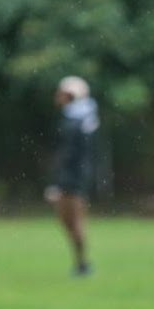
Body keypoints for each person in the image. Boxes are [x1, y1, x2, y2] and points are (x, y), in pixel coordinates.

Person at [44, 76, 100, 277]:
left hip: (72, 178)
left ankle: (82, 264)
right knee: (68, 220)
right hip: (75, 176)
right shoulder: (82, 118)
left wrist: (58, 183)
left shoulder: (76, 121)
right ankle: (81, 263)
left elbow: (68, 155)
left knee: (73, 220)